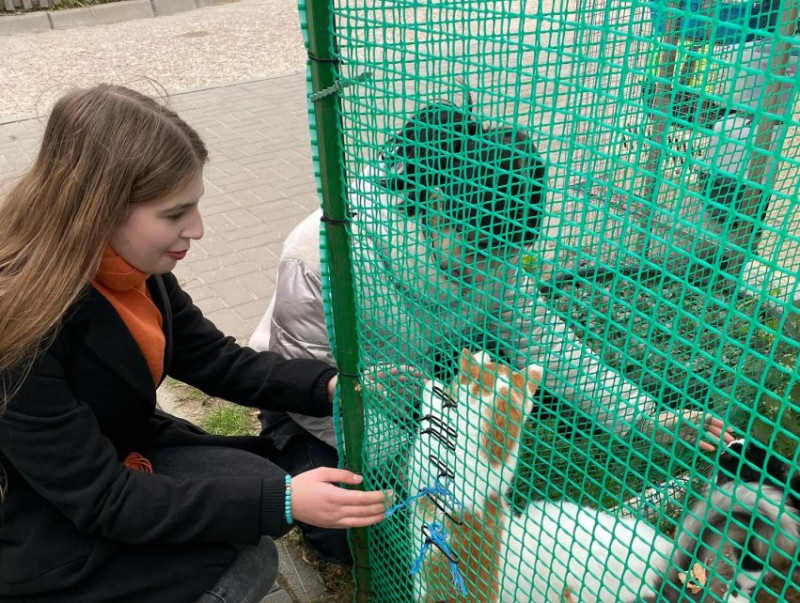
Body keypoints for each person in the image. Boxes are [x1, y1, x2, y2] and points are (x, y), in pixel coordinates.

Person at [251, 103, 732, 564]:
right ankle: (290, 465)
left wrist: (643, 417)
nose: (491, 271)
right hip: (312, 404)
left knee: (478, 463)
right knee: (355, 535)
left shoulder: (492, 254)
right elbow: (304, 382)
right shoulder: (323, 254)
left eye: (507, 252)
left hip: (413, 380)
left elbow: (542, 338)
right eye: (481, 248)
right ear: (437, 206)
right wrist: (410, 465)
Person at [0, 84, 390, 603]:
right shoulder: (21, 324)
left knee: (257, 482)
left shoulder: (131, 268)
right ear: (101, 208)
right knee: (246, 563)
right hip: (45, 517)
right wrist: (287, 499)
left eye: (197, 206)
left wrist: (332, 386)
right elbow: (101, 499)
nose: (199, 229)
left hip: (117, 456)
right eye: (173, 214)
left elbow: (214, 359)